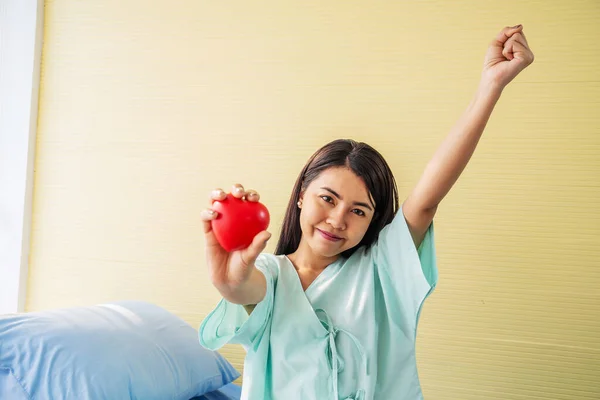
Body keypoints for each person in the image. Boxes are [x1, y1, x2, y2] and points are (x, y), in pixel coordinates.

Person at [198, 25, 534, 400]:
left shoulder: (381, 272)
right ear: (301, 196)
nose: (338, 219)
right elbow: (244, 288)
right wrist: (227, 282)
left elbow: (426, 199)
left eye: (359, 211)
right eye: (327, 198)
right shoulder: (270, 277)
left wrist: (491, 86)